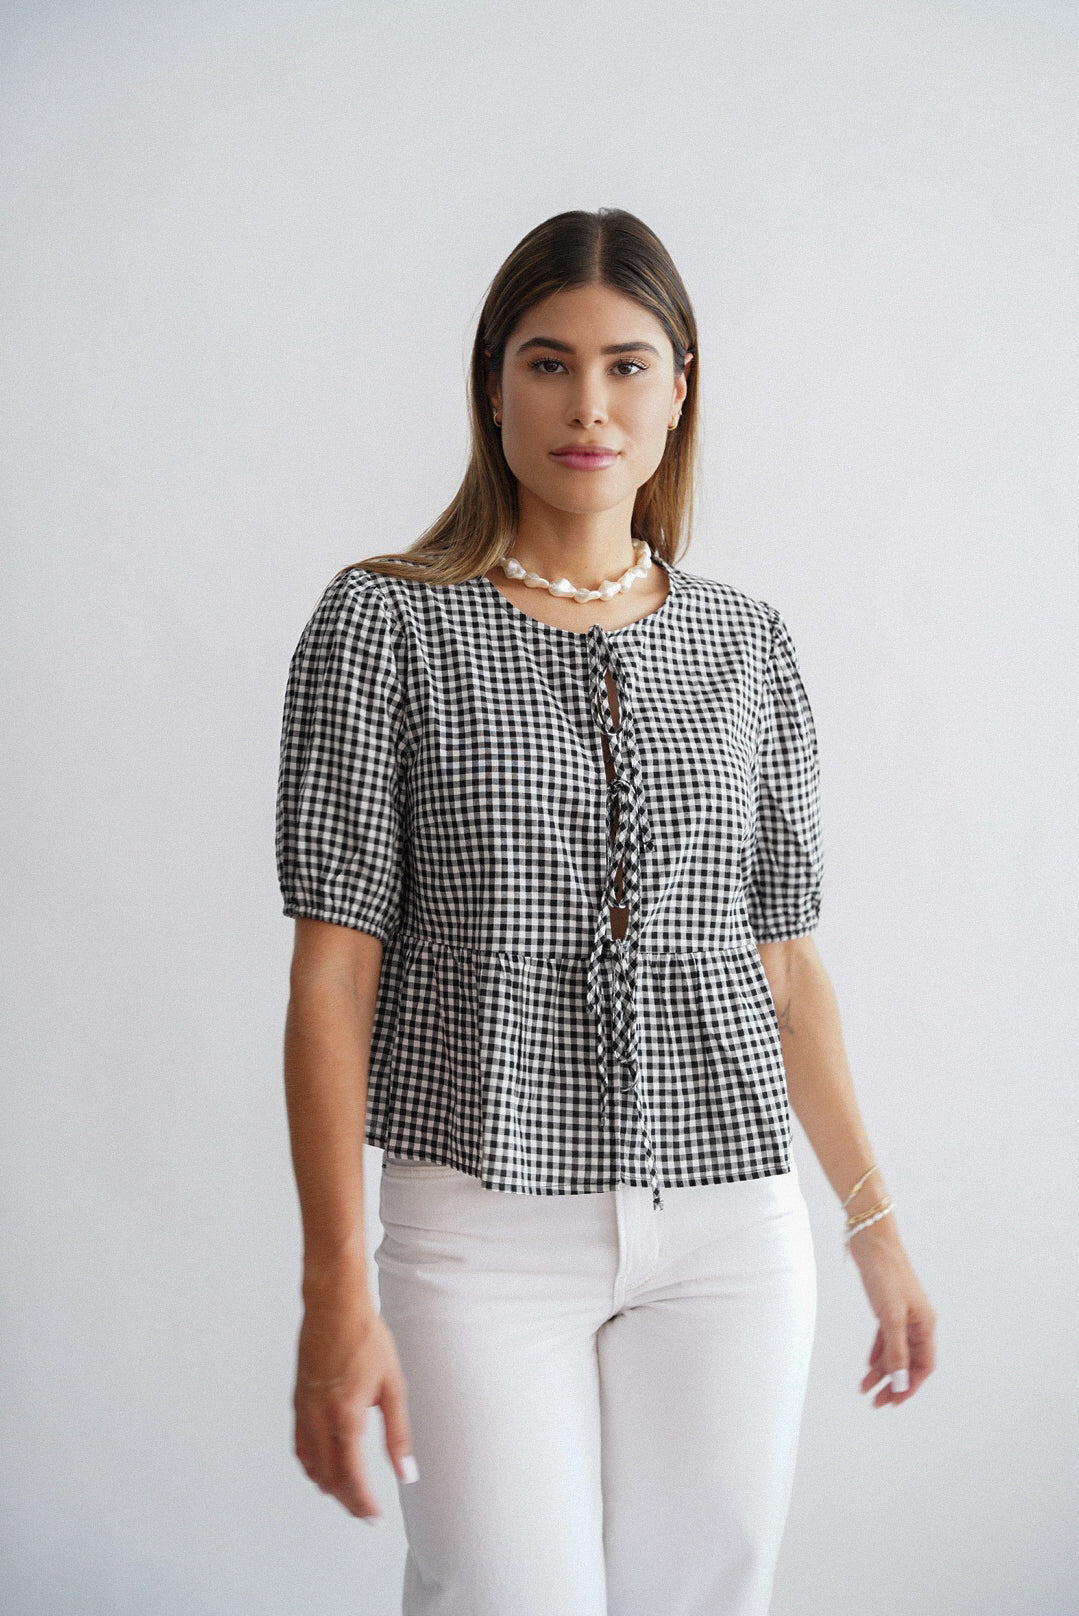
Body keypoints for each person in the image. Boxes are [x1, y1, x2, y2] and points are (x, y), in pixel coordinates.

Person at [275, 207, 937, 1616]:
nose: (590, 404)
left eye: (629, 365)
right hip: (477, 1224)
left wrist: (873, 1225)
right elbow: (332, 978)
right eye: (550, 363)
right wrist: (335, 1288)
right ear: (492, 385)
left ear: (680, 389)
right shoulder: (382, 625)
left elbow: (787, 964)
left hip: (729, 1227)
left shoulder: (749, 643)